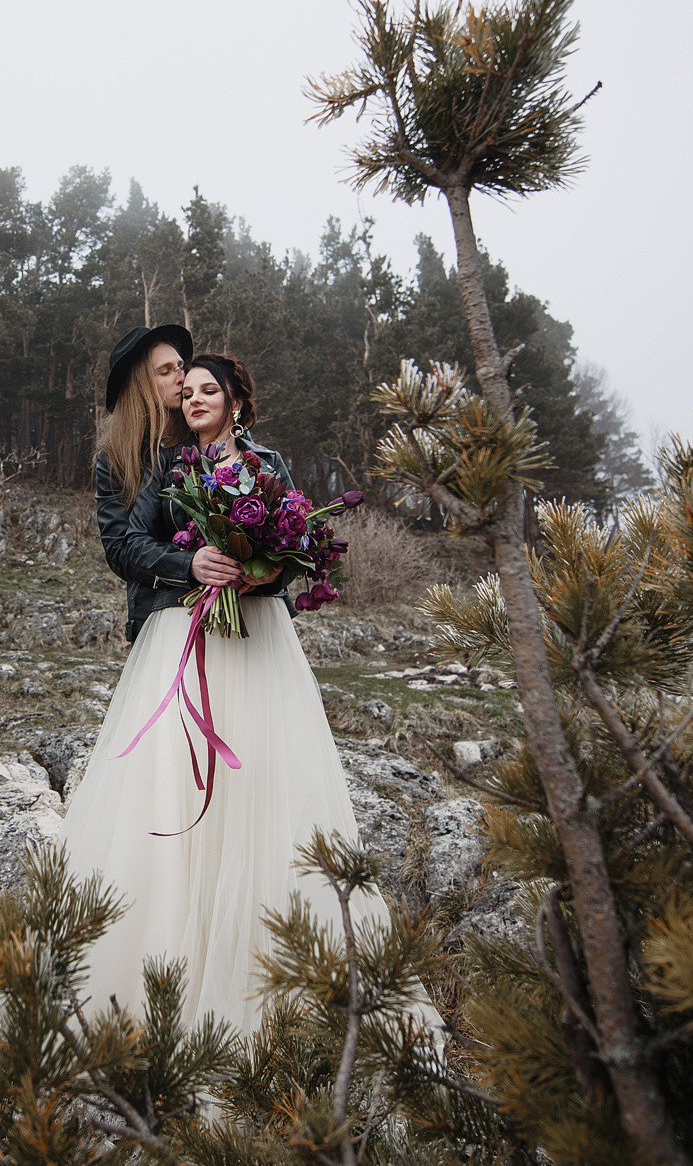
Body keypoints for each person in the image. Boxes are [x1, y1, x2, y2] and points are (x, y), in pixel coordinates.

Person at [65, 348, 424, 1038]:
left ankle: (271, 977)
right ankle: (163, 974)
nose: (194, 399)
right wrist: (191, 560)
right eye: (188, 391)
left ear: (236, 401)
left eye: (209, 390)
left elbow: (298, 547)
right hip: (185, 631)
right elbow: (131, 542)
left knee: (260, 791)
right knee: (173, 785)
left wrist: (263, 572)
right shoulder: (171, 467)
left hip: (258, 641)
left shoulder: (270, 465)